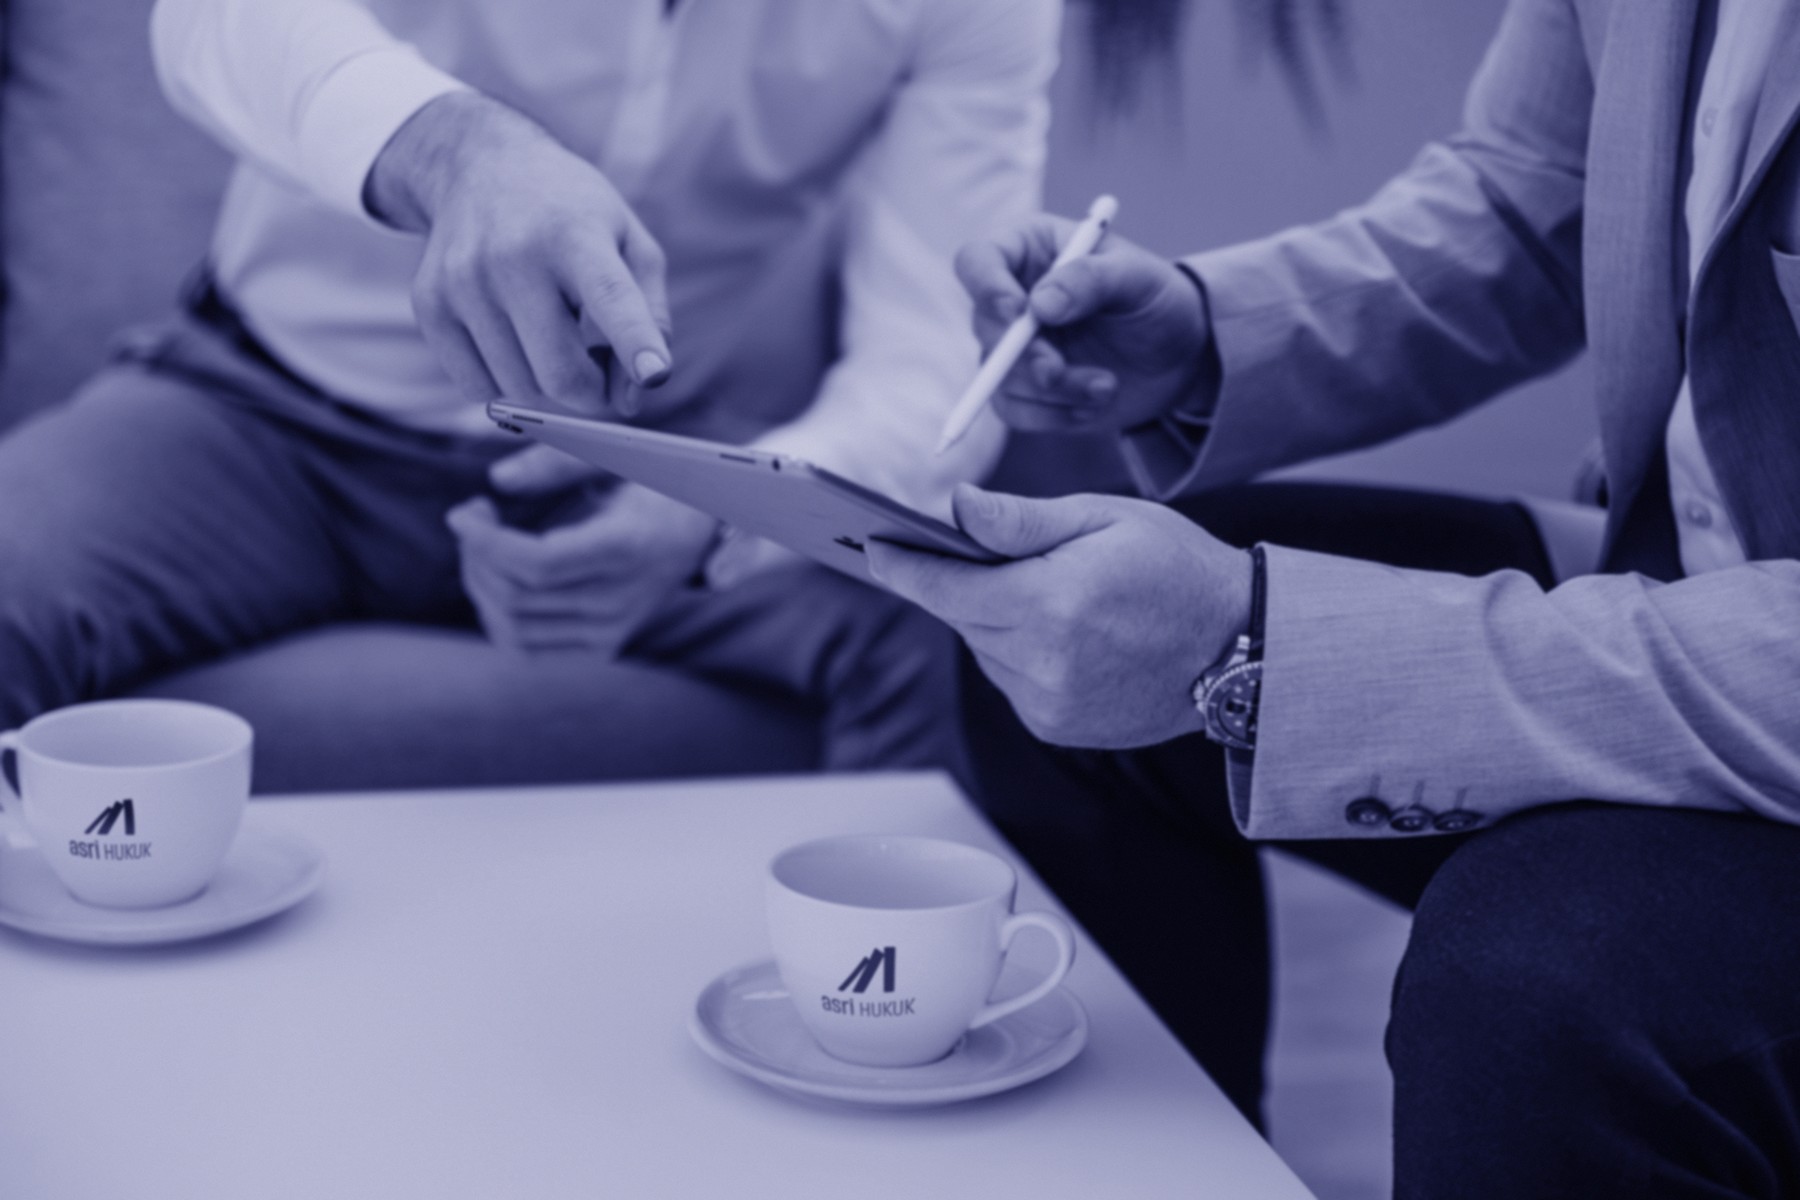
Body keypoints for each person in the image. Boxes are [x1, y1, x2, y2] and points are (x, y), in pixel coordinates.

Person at [869, 1, 1800, 1194]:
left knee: (1535, 983)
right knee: (1042, 646)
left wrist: (1266, 648)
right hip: (1676, 589)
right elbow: (1535, 193)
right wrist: (1207, 337)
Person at [0, 0, 1059, 777]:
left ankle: (866, 1041)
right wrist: (457, 150)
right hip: (264, 425)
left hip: (649, 457)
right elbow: (217, 21)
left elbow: (937, 359)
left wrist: (717, 513)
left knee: (937, 605)